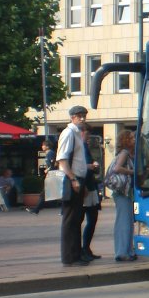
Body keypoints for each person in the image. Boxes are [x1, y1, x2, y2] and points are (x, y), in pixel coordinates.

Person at [57, 106, 91, 267]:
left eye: (84, 115)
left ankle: (76, 254)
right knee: (70, 219)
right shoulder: (68, 133)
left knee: (77, 218)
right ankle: (69, 256)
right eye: (79, 116)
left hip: (78, 179)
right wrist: (73, 179)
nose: (82, 118)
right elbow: (62, 159)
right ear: (72, 117)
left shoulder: (77, 134)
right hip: (71, 180)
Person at [110, 129, 137, 263]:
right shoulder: (125, 153)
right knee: (124, 221)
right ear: (125, 140)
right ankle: (122, 252)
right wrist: (132, 172)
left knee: (127, 221)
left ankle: (127, 250)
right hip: (122, 192)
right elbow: (116, 168)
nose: (134, 139)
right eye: (131, 137)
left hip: (125, 192)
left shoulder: (129, 154)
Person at [80, 122, 103, 261]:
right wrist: (90, 166)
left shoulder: (85, 147)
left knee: (92, 219)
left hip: (91, 185)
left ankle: (86, 248)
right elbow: (77, 166)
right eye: (87, 133)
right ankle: (83, 249)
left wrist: (94, 165)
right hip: (85, 186)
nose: (88, 136)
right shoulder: (79, 147)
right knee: (85, 218)